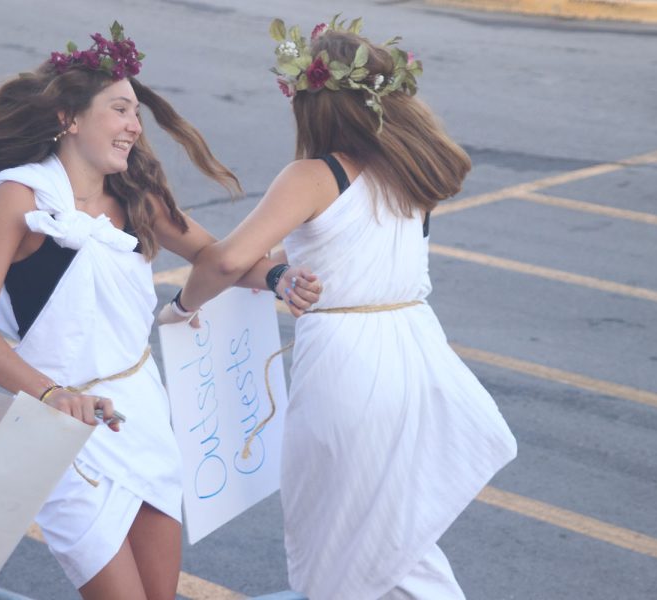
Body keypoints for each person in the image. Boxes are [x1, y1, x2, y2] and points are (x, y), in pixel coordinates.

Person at [0, 22, 321, 600]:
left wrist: (277, 275)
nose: (134, 126)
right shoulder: (21, 198)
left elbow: (216, 257)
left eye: (137, 115)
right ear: (67, 119)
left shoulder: (134, 196)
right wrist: (54, 397)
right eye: (121, 110)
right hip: (59, 427)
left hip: (141, 414)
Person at [158, 16, 518, 600]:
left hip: (349, 366)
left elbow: (225, 262)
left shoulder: (314, 175)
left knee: (343, 529)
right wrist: (275, 275)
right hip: (417, 355)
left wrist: (180, 306)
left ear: (312, 104)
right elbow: (284, 259)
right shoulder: (410, 175)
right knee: (390, 531)